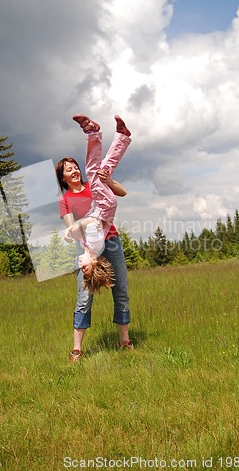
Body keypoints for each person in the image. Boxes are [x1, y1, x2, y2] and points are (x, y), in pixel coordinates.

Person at [56, 115, 133, 362]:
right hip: (90, 248)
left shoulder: (93, 185)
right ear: (63, 177)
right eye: (69, 169)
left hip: (111, 241)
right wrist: (80, 227)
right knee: (84, 298)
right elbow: (74, 229)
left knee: (120, 291)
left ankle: (125, 342)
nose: (75, 170)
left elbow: (121, 193)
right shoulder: (65, 201)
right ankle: (77, 349)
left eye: (75, 166)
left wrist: (107, 180)